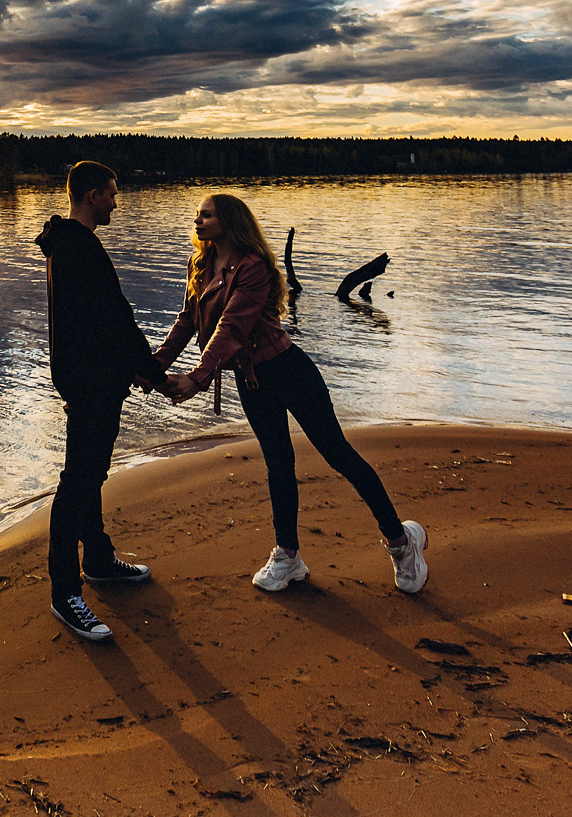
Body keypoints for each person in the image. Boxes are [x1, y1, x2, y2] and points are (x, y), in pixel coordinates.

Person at [157, 193, 429, 595]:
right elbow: (187, 321)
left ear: (229, 221)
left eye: (207, 215)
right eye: (197, 215)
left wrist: (197, 378)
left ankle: (401, 543)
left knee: (338, 454)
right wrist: (154, 366)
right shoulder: (201, 263)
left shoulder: (253, 268)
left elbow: (231, 328)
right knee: (278, 465)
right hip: (251, 381)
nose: (197, 221)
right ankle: (288, 557)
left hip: (288, 371)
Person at [33, 161, 169, 642]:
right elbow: (115, 317)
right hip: (89, 381)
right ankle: (65, 594)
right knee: (78, 481)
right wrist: (153, 371)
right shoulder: (79, 248)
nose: (116, 201)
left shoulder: (65, 244)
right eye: (111, 193)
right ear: (92, 195)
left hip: (89, 378)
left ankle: (98, 560)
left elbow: (97, 319)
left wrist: (133, 368)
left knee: (91, 474)